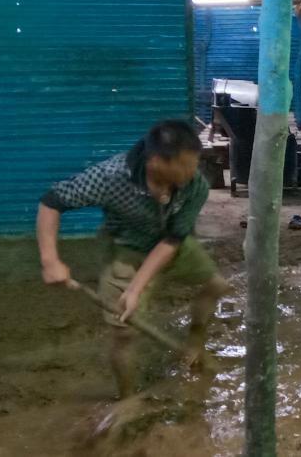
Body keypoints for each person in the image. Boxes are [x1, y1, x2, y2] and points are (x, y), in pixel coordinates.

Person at [37, 120, 230, 399]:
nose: (193, 172)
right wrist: (50, 260)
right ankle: (127, 397)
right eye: (185, 165)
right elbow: (51, 202)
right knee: (124, 333)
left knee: (216, 286)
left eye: (195, 163)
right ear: (156, 161)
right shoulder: (110, 177)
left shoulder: (194, 185)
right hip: (125, 247)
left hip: (170, 244)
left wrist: (136, 288)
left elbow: (174, 239)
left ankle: (196, 341)